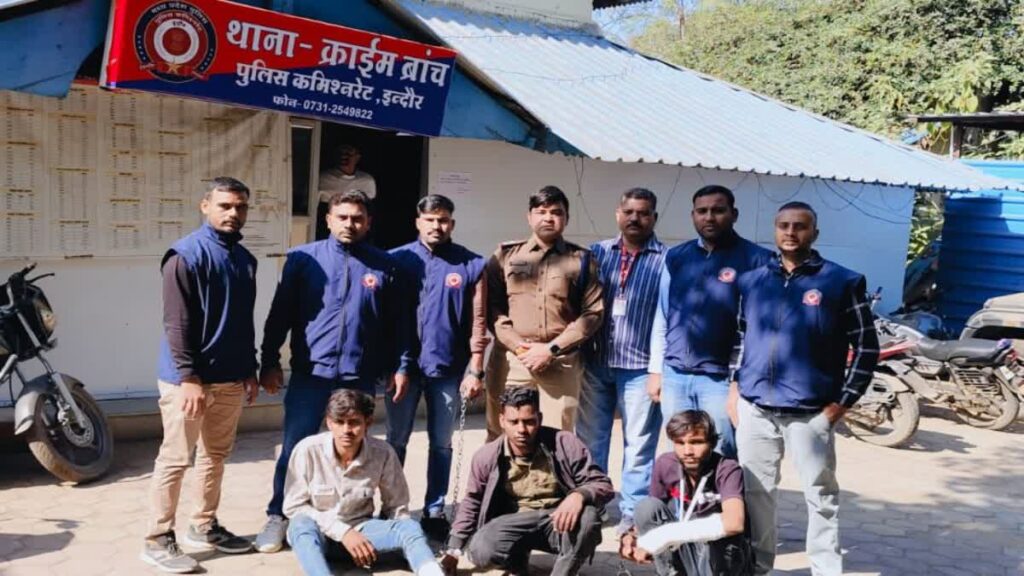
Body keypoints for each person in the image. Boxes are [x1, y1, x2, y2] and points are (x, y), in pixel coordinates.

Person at [256, 189, 412, 553]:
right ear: (328, 219)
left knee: (355, 448)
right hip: (312, 374)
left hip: (359, 376)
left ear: (368, 222)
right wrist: (269, 361)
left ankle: (353, 517)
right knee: (295, 447)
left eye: (357, 218)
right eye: (342, 217)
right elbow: (280, 314)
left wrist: (401, 365)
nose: (349, 224)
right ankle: (278, 515)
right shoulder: (303, 260)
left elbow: (399, 324)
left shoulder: (385, 265)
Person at [730, 201, 879, 575]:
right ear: (775, 230)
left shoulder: (841, 281)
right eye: (783, 225)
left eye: (800, 226)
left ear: (815, 233)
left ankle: (825, 569)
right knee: (757, 493)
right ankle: (758, 566)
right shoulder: (752, 280)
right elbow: (738, 338)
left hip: (812, 412)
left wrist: (842, 403)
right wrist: (735, 387)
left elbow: (867, 346)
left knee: (820, 494)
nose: (791, 232)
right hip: (756, 408)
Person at [142, 177, 260, 573]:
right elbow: (176, 324)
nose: (233, 213)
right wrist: (189, 378)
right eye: (225, 205)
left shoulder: (245, 259)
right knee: (176, 459)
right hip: (188, 382)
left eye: (240, 207)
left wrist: (249, 368)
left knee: (215, 456)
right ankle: (157, 537)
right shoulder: (184, 256)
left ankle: (204, 525)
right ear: (205, 206)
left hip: (230, 378)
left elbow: (242, 321)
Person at [387, 194, 489, 538]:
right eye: (430, 219)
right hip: (403, 369)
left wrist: (475, 368)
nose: (436, 226)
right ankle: (392, 506)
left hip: (447, 369)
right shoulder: (396, 260)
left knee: (442, 444)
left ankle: (434, 510)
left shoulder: (470, 264)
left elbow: (479, 321)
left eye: (443, 220)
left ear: (452, 224)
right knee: (395, 440)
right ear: (418, 222)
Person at [648, 185, 772, 458]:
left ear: (734, 214)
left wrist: (738, 383)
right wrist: (656, 370)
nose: (709, 217)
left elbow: (758, 330)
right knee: (681, 453)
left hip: (721, 381)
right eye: (702, 211)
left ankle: (723, 490)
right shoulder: (677, 256)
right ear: (693, 215)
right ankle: (685, 492)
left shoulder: (758, 260)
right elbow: (663, 315)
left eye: (718, 210)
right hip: (675, 374)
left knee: (723, 452)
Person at [439, 387, 613, 576]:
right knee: (481, 550)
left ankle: (564, 572)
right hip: (513, 521)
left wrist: (579, 495)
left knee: (588, 518)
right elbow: (472, 501)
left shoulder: (564, 443)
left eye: (529, 422)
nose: (521, 430)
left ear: (540, 419)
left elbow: (602, 483)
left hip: (557, 521)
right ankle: (517, 561)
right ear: (502, 421)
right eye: (514, 422)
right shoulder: (486, 456)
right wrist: (453, 550)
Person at [576, 187, 666, 536]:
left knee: (639, 444)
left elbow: (667, 317)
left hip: (640, 368)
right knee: (590, 440)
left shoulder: (666, 260)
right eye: (629, 212)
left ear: (654, 218)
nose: (635, 219)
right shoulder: (597, 253)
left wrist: (657, 369)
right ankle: (594, 504)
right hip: (596, 362)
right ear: (618, 214)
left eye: (643, 213)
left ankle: (632, 512)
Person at [484, 185, 604, 438]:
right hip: (512, 360)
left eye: (556, 212)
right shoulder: (505, 256)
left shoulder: (582, 259)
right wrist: (520, 348)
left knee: (557, 438)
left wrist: (550, 350)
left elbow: (593, 313)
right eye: (541, 212)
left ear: (566, 218)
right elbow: (493, 309)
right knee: (501, 434)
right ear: (529, 217)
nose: (548, 218)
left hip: (560, 362)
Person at [283, 389, 445, 576]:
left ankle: (431, 571)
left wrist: (409, 545)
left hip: (362, 533)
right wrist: (343, 532)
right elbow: (293, 507)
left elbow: (398, 508)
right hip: (320, 536)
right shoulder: (307, 450)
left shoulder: (383, 453)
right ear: (329, 423)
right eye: (339, 422)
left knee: (410, 527)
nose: (346, 430)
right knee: (300, 525)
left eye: (354, 422)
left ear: (367, 422)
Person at [620, 410, 753, 576]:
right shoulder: (666, 464)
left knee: (719, 531)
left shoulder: (727, 469)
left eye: (696, 442)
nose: (688, 451)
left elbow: (734, 523)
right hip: (688, 545)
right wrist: (631, 536)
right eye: (680, 443)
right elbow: (651, 515)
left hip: (722, 554)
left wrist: (663, 536)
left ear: (712, 443)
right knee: (646, 507)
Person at [315, 144, 376, 240]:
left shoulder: (367, 180)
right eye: (341, 153)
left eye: (349, 153)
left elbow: (370, 210)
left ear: (357, 157)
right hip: (326, 228)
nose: (344, 156)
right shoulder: (322, 178)